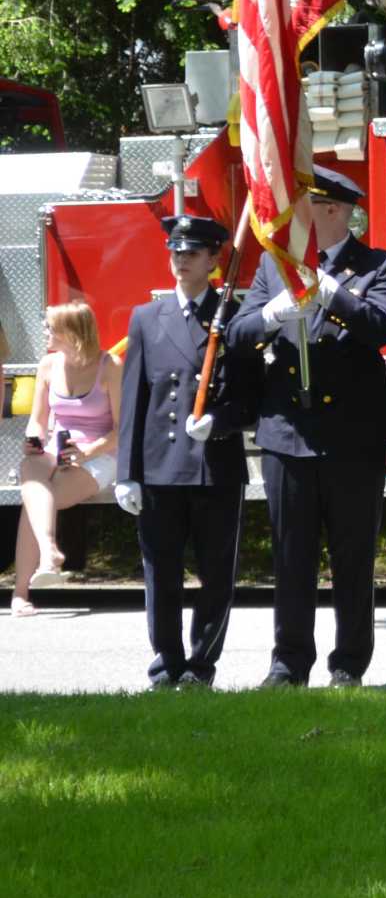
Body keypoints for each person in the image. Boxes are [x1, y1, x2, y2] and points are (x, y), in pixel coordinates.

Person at [226, 165, 386, 687]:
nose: (290, 217)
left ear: (334, 210)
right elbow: (238, 334)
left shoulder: (378, 264)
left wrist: (329, 293)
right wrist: (271, 316)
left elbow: (380, 328)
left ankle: (349, 663)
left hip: (353, 435)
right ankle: (288, 664)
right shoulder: (271, 267)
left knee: (353, 558)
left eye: (302, 206)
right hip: (289, 432)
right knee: (291, 556)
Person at [112, 215, 249, 686]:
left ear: (214, 260)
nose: (181, 260)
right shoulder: (147, 318)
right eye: (176, 251)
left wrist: (222, 421)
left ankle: (201, 664)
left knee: (216, 577)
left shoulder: (235, 317)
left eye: (192, 252)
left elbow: (253, 397)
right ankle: (166, 664)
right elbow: (135, 399)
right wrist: (126, 472)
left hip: (215, 467)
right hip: (160, 468)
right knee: (161, 574)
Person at [11, 302, 122, 615]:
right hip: (57, 448)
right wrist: (34, 439)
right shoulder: (48, 365)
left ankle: (21, 592)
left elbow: (121, 430)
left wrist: (86, 453)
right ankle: (48, 552)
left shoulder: (109, 365)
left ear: (72, 333)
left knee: (35, 501)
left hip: (101, 453)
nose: (45, 332)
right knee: (30, 468)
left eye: (50, 328)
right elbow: (38, 420)